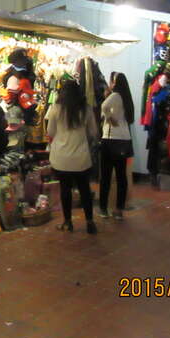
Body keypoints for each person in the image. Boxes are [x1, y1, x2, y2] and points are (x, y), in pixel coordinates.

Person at [45, 78, 98, 234]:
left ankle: (68, 222)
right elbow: (93, 132)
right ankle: (90, 222)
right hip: (81, 157)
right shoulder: (86, 109)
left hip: (61, 158)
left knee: (65, 190)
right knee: (85, 190)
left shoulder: (55, 109)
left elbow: (50, 132)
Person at [99, 72, 134, 220]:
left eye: (111, 81)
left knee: (106, 176)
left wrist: (109, 118)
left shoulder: (115, 95)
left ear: (115, 82)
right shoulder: (127, 97)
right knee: (121, 177)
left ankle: (103, 209)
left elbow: (104, 106)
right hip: (124, 140)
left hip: (111, 139)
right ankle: (119, 209)